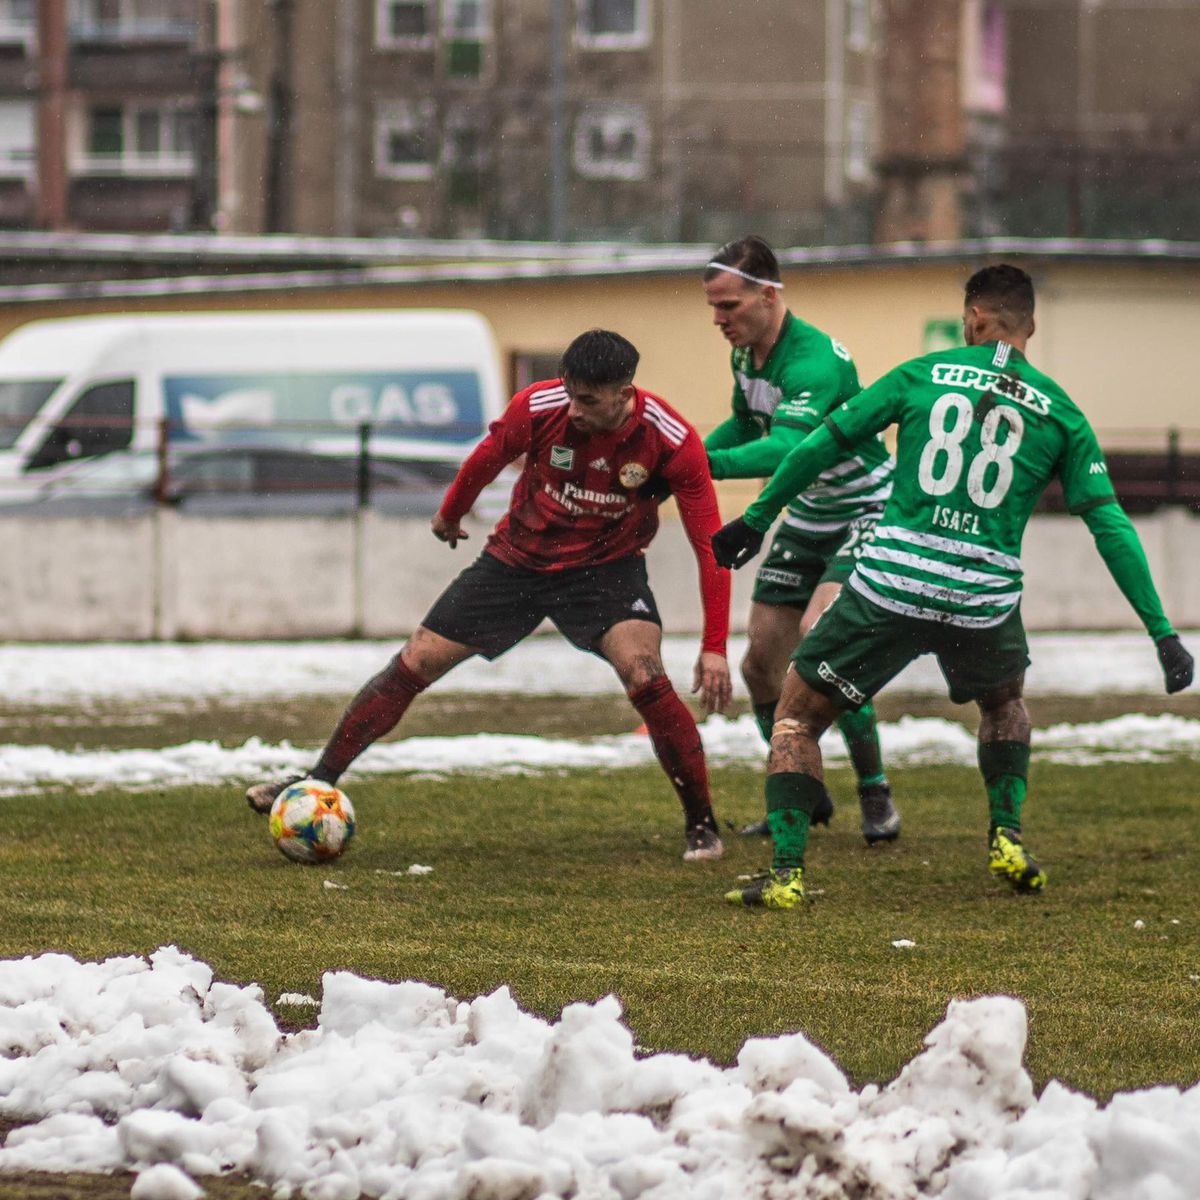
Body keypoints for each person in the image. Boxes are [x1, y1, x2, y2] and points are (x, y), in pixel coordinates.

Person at [711, 263, 1195, 908]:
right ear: (1031, 325)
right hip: (983, 598)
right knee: (1003, 706)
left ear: (972, 318)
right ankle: (1007, 836)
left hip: (893, 583)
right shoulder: (1061, 410)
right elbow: (1109, 525)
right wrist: (1162, 632)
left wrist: (758, 515)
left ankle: (788, 876)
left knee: (796, 718)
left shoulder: (921, 374)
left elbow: (823, 445)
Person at [246, 328, 734, 861]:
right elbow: (489, 455)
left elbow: (711, 546)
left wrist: (714, 646)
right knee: (415, 661)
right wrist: (451, 512)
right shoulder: (540, 406)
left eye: (588, 400)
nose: (573, 410)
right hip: (516, 563)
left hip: (605, 572)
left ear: (624, 393)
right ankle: (317, 781)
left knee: (645, 673)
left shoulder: (671, 440)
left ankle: (701, 824)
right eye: (570, 394)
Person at [701, 235, 900, 844]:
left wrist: (698, 468)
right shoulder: (746, 356)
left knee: (822, 645)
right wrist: (689, 455)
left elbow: (790, 449)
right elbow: (747, 423)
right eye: (713, 307)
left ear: (769, 294)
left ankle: (875, 792)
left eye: (729, 306)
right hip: (809, 512)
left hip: (865, 508)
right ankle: (803, 790)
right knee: (761, 665)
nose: (719, 320)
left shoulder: (815, 361)